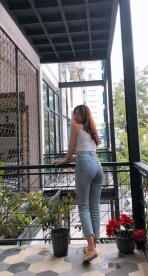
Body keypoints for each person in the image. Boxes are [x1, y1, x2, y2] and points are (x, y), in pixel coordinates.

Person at [53, 104, 104, 262]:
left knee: (83, 206)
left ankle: (91, 247)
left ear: (81, 116)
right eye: (73, 114)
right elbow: (85, 153)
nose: (73, 117)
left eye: (76, 114)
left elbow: (70, 154)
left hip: (85, 166)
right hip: (97, 167)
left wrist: (63, 161)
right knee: (94, 208)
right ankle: (92, 246)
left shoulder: (76, 128)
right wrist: (71, 159)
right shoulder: (92, 131)